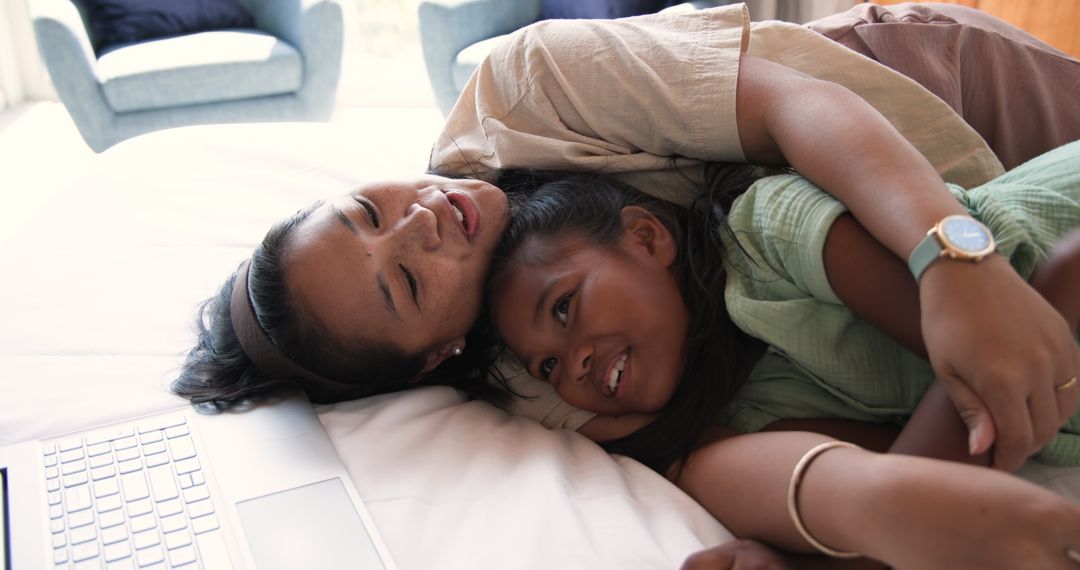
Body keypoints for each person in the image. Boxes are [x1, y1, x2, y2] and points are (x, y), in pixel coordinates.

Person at [174, 3, 1079, 479]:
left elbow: (793, 104)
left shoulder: (526, 87)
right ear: (433, 358)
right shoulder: (537, 381)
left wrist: (953, 258)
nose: (417, 222)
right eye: (406, 283)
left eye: (366, 212)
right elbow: (716, 442)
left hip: (928, 101)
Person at [483, 141, 1080, 567]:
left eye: (563, 308)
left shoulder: (765, 231)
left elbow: (985, 367)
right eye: (548, 367)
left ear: (646, 238)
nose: (574, 365)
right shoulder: (749, 415)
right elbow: (912, 475)